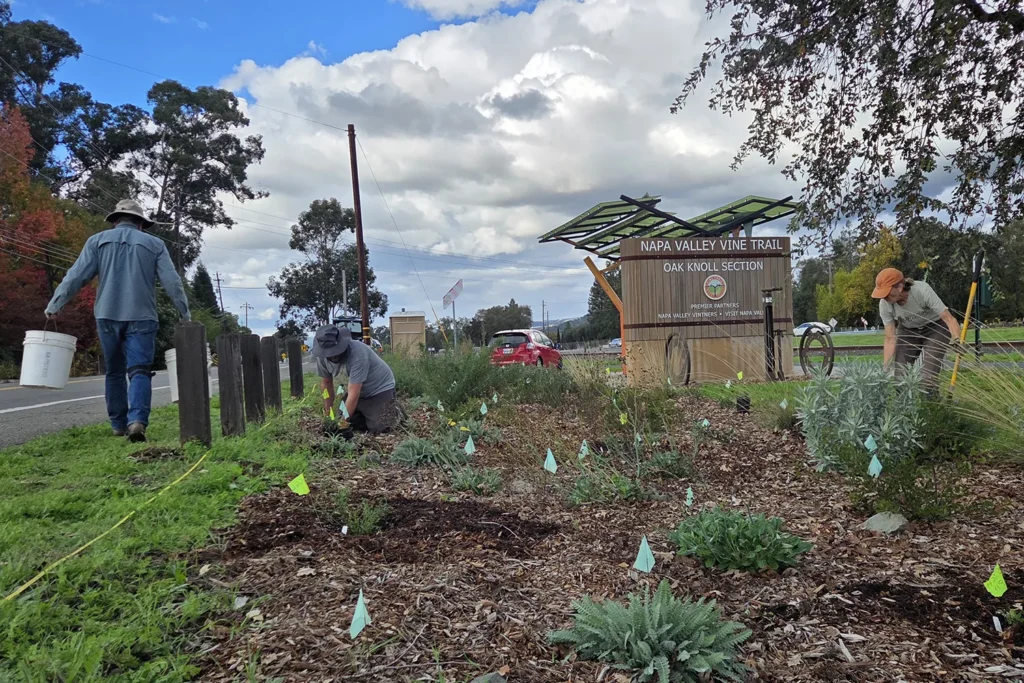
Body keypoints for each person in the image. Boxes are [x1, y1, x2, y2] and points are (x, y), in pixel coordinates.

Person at [44, 199, 191, 442]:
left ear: (115, 221)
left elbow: (76, 276)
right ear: (141, 224)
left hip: (107, 315)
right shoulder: (155, 244)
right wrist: (184, 313)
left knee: (114, 371)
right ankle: (137, 421)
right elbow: (172, 281)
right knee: (140, 371)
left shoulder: (97, 241)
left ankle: (118, 425)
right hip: (142, 316)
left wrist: (55, 304)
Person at [871, 267, 961, 392]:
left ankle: (932, 406)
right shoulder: (885, 304)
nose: (884, 297)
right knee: (899, 378)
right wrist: (885, 368)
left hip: (935, 327)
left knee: (927, 378)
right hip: (908, 330)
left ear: (899, 287)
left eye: (886, 292)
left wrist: (957, 339)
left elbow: (948, 318)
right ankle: (904, 409)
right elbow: (890, 338)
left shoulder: (922, 291)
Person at [311, 323, 401, 433]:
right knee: (341, 420)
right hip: (356, 391)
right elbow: (326, 384)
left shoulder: (357, 353)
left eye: (334, 352)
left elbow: (354, 393)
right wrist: (328, 413)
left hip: (379, 389)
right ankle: (367, 415)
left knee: (380, 427)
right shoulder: (322, 357)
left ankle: (393, 410)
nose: (331, 356)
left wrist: (342, 425)